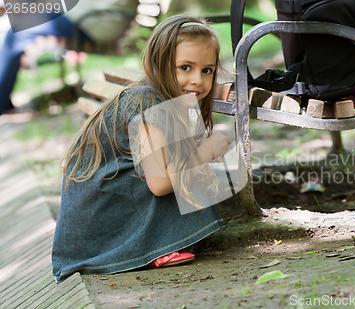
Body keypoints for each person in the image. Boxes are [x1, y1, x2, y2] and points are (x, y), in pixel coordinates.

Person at [51, 15, 233, 283]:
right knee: (182, 170)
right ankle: (150, 248)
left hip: (103, 209)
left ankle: (158, 241)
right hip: (99, 226)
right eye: (185, 67)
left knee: (186, 166)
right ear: (158, 64)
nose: (197, 80)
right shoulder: (148, 105)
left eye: (207, 70)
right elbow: (159, 183)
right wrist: (205, 152)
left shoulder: (163, 100)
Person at [0, 0, 137, 115]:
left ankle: (2, 101)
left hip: (100, 19)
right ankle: (4, 100)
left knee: (17, 32)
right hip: (95, 15)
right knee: (18, 29)